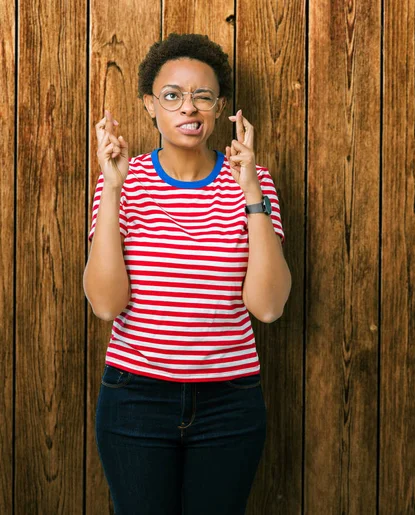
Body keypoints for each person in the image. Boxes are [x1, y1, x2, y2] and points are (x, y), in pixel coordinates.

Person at [83, 33, 291, 514]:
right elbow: (105, 304)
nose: (189, 109)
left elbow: (269, 306)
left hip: (230, 400)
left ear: (220, 110)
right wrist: (112, 190)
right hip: (135, 396)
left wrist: (252, 191)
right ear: (150, 106)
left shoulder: (253, 183)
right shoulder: (121, 180)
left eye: (203, 97)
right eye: (173, 96)